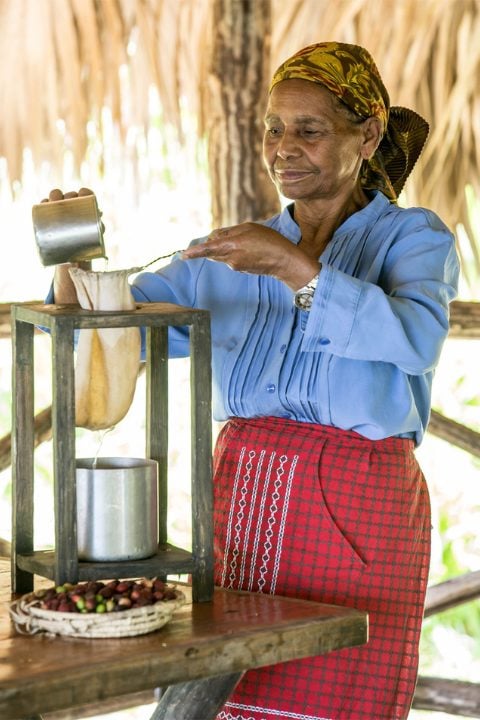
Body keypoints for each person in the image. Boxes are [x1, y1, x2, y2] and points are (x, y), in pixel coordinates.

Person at [51, 41, 459, 720]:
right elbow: (111, 320)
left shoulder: (413, 240)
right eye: (273, 127)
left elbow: (415, 340)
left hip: (357, 509)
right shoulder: (230, 253)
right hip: (243, 503)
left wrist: (296, 269)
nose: (283, 147)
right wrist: (71, 252)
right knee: (220, 693)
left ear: (369, 134)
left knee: (335, 695)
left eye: (309, 129)